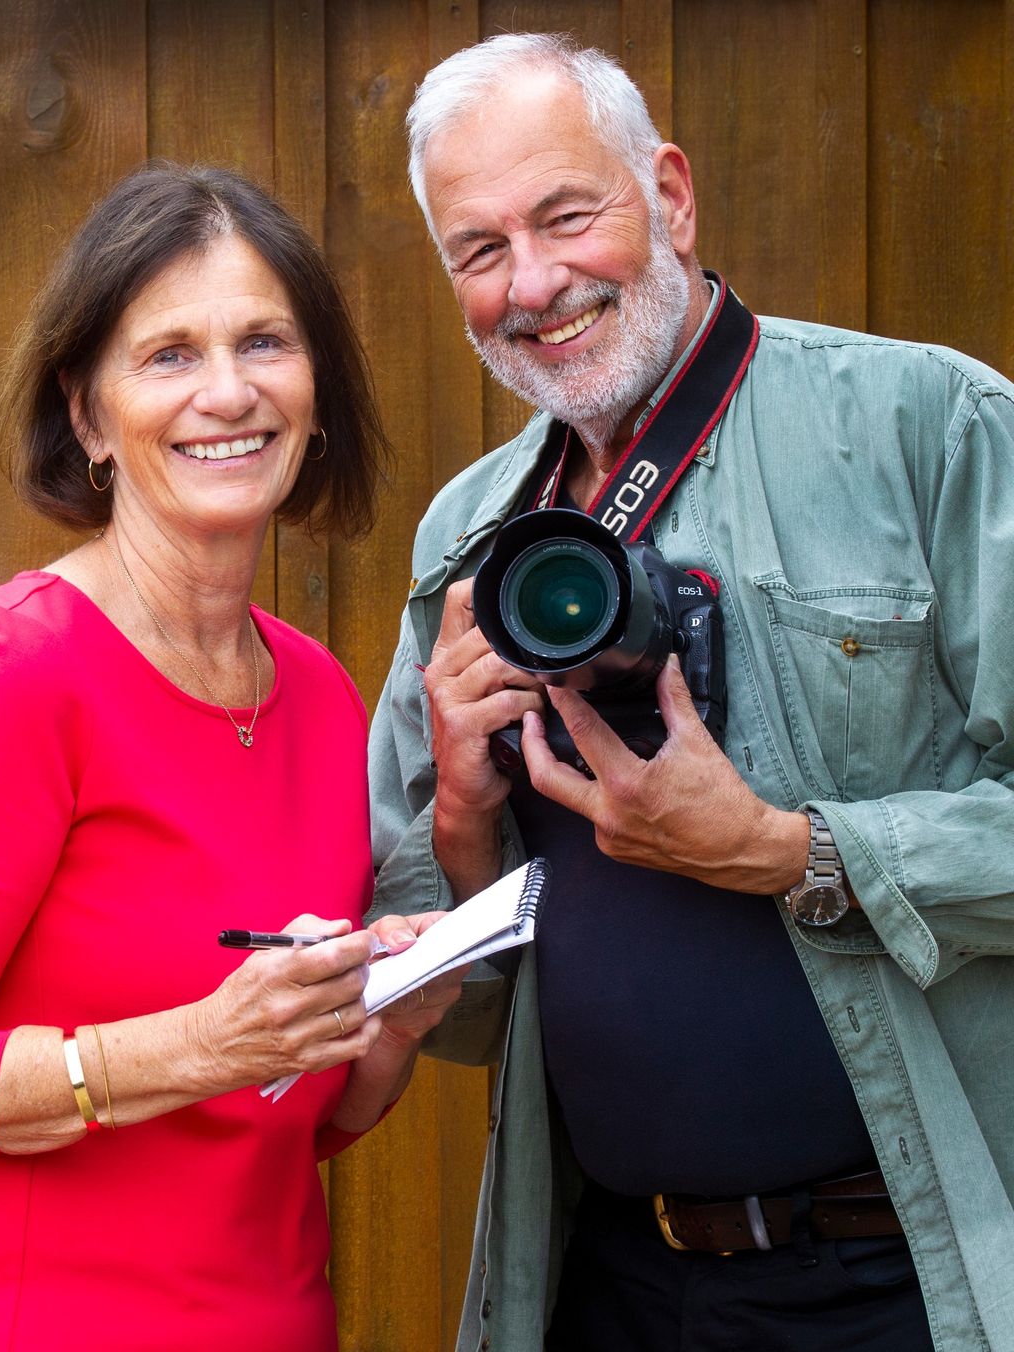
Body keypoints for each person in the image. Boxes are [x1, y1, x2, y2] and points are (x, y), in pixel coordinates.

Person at [368, 32, 1014, 1352]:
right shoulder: (469, 540)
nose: (533, 283)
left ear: (667, 194)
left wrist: (790, 851)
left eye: (566, 214)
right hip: (612, 1284)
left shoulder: (930, 431)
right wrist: (460, 826)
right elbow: (460, 1018)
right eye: (479, 251)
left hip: (911, 1284)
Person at [0, 161, 464, 1351]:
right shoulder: (14, 673)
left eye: (264, 342)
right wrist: (204, 1041)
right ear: (85, 414)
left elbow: (287, 1125)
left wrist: (387, 1025)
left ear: (317, 396)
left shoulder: (320, 696)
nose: (227, 390)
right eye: (169, 354)